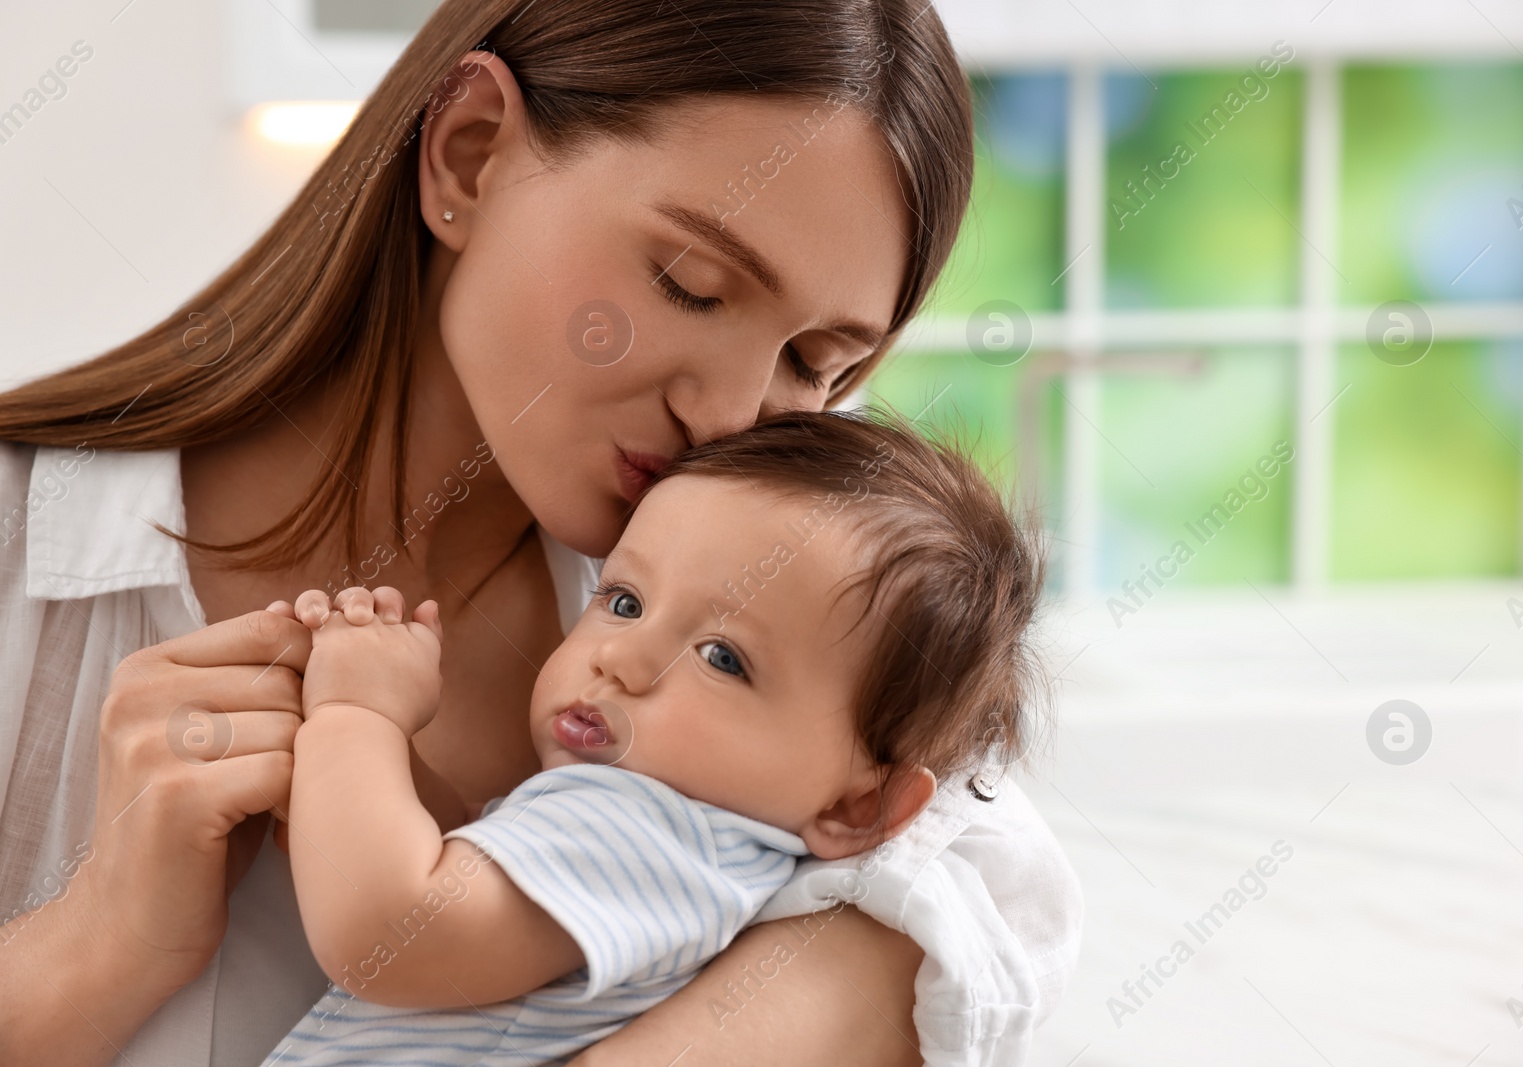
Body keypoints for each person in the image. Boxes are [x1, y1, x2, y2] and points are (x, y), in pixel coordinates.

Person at [0, 1, 1082, 1064]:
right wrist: (99, 943)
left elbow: (988, 897)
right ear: (470, 155)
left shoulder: (796, 627)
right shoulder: (26, 555)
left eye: (818, 365)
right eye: (688, 284)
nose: (728, 413)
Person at [262, 410, 1047, 1065]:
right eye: (626, 601)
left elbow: (390, 933)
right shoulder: (691, 853)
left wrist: (355, 714)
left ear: (859, 804)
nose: (622, 659)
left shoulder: (655, 827)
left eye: (722, 658)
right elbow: (459, 874)